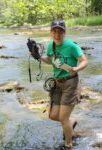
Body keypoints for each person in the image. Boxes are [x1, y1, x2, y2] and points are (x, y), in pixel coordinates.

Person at [41, 19, 88, 150]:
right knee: (53, 115)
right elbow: (50, 60)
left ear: (64, 32)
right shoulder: (51, 46)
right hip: (57, 84)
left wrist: (77, 68)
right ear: (51, 32)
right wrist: (38, 56)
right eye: (54, 31)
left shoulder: (72, 46)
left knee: (62, 118)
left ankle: (68, 145)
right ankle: (70, 122)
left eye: (60, 31)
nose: (57, 34)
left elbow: (84, 61)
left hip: (70, 82)